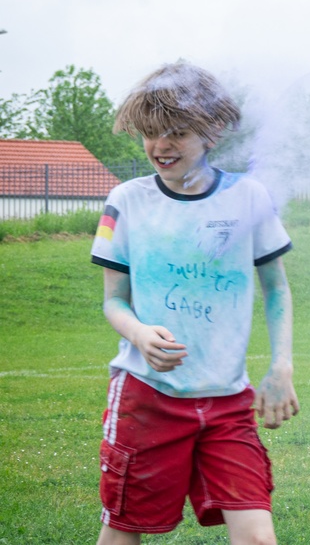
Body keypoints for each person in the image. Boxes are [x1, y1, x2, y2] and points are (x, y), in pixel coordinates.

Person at [90, 62, 299, 545]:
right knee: (124, 531)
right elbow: (113, 302)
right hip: (148, 397)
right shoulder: (125, 201)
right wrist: (139, 333)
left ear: (213, 132)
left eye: (176, 133)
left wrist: (281, 365)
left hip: (228, 401)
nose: (160, 146)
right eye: (150, 134)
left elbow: (276, 287)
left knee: (257, 536)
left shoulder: (250, 197)